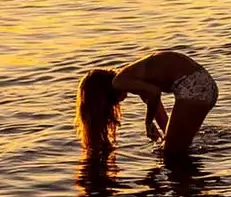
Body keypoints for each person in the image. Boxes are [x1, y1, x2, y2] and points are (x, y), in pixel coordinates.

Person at [75, 50, 218, 156]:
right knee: (174, 150)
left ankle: (185, 193)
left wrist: (148, 123)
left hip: (193, 87)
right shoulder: (136, 80)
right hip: (206, 86)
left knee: (171, 156)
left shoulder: (119, 81)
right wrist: (163, 138)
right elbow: (161, 114)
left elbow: (155, 92)